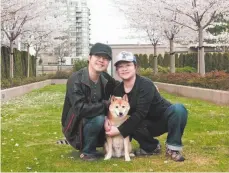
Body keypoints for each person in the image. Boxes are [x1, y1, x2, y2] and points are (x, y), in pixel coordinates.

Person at [105, 51, 188, 162]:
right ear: (117, 70)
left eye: (128, 65)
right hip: (143, 124)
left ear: (135, 67)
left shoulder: (146, 84)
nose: (124, 69)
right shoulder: (118, 90)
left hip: (163, 119)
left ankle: (173, 148)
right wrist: (107, 119)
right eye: (120, 67)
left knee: (178, 109)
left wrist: (119, 130)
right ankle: (151, 147)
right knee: (132, 122)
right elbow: (116, 109)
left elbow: (141, 112)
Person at [61, 43, 119, 161]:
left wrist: (144, 84)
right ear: (89, 58)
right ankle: (87, 152)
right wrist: (106, 105)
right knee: (99, 118)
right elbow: (80, 109)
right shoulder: (75, 79)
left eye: (105, 58)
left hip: (95, 118)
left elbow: (120, 87)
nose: (101, 61)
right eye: (98, 56)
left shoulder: (105, 77)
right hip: (74, 125)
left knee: (119, 114)